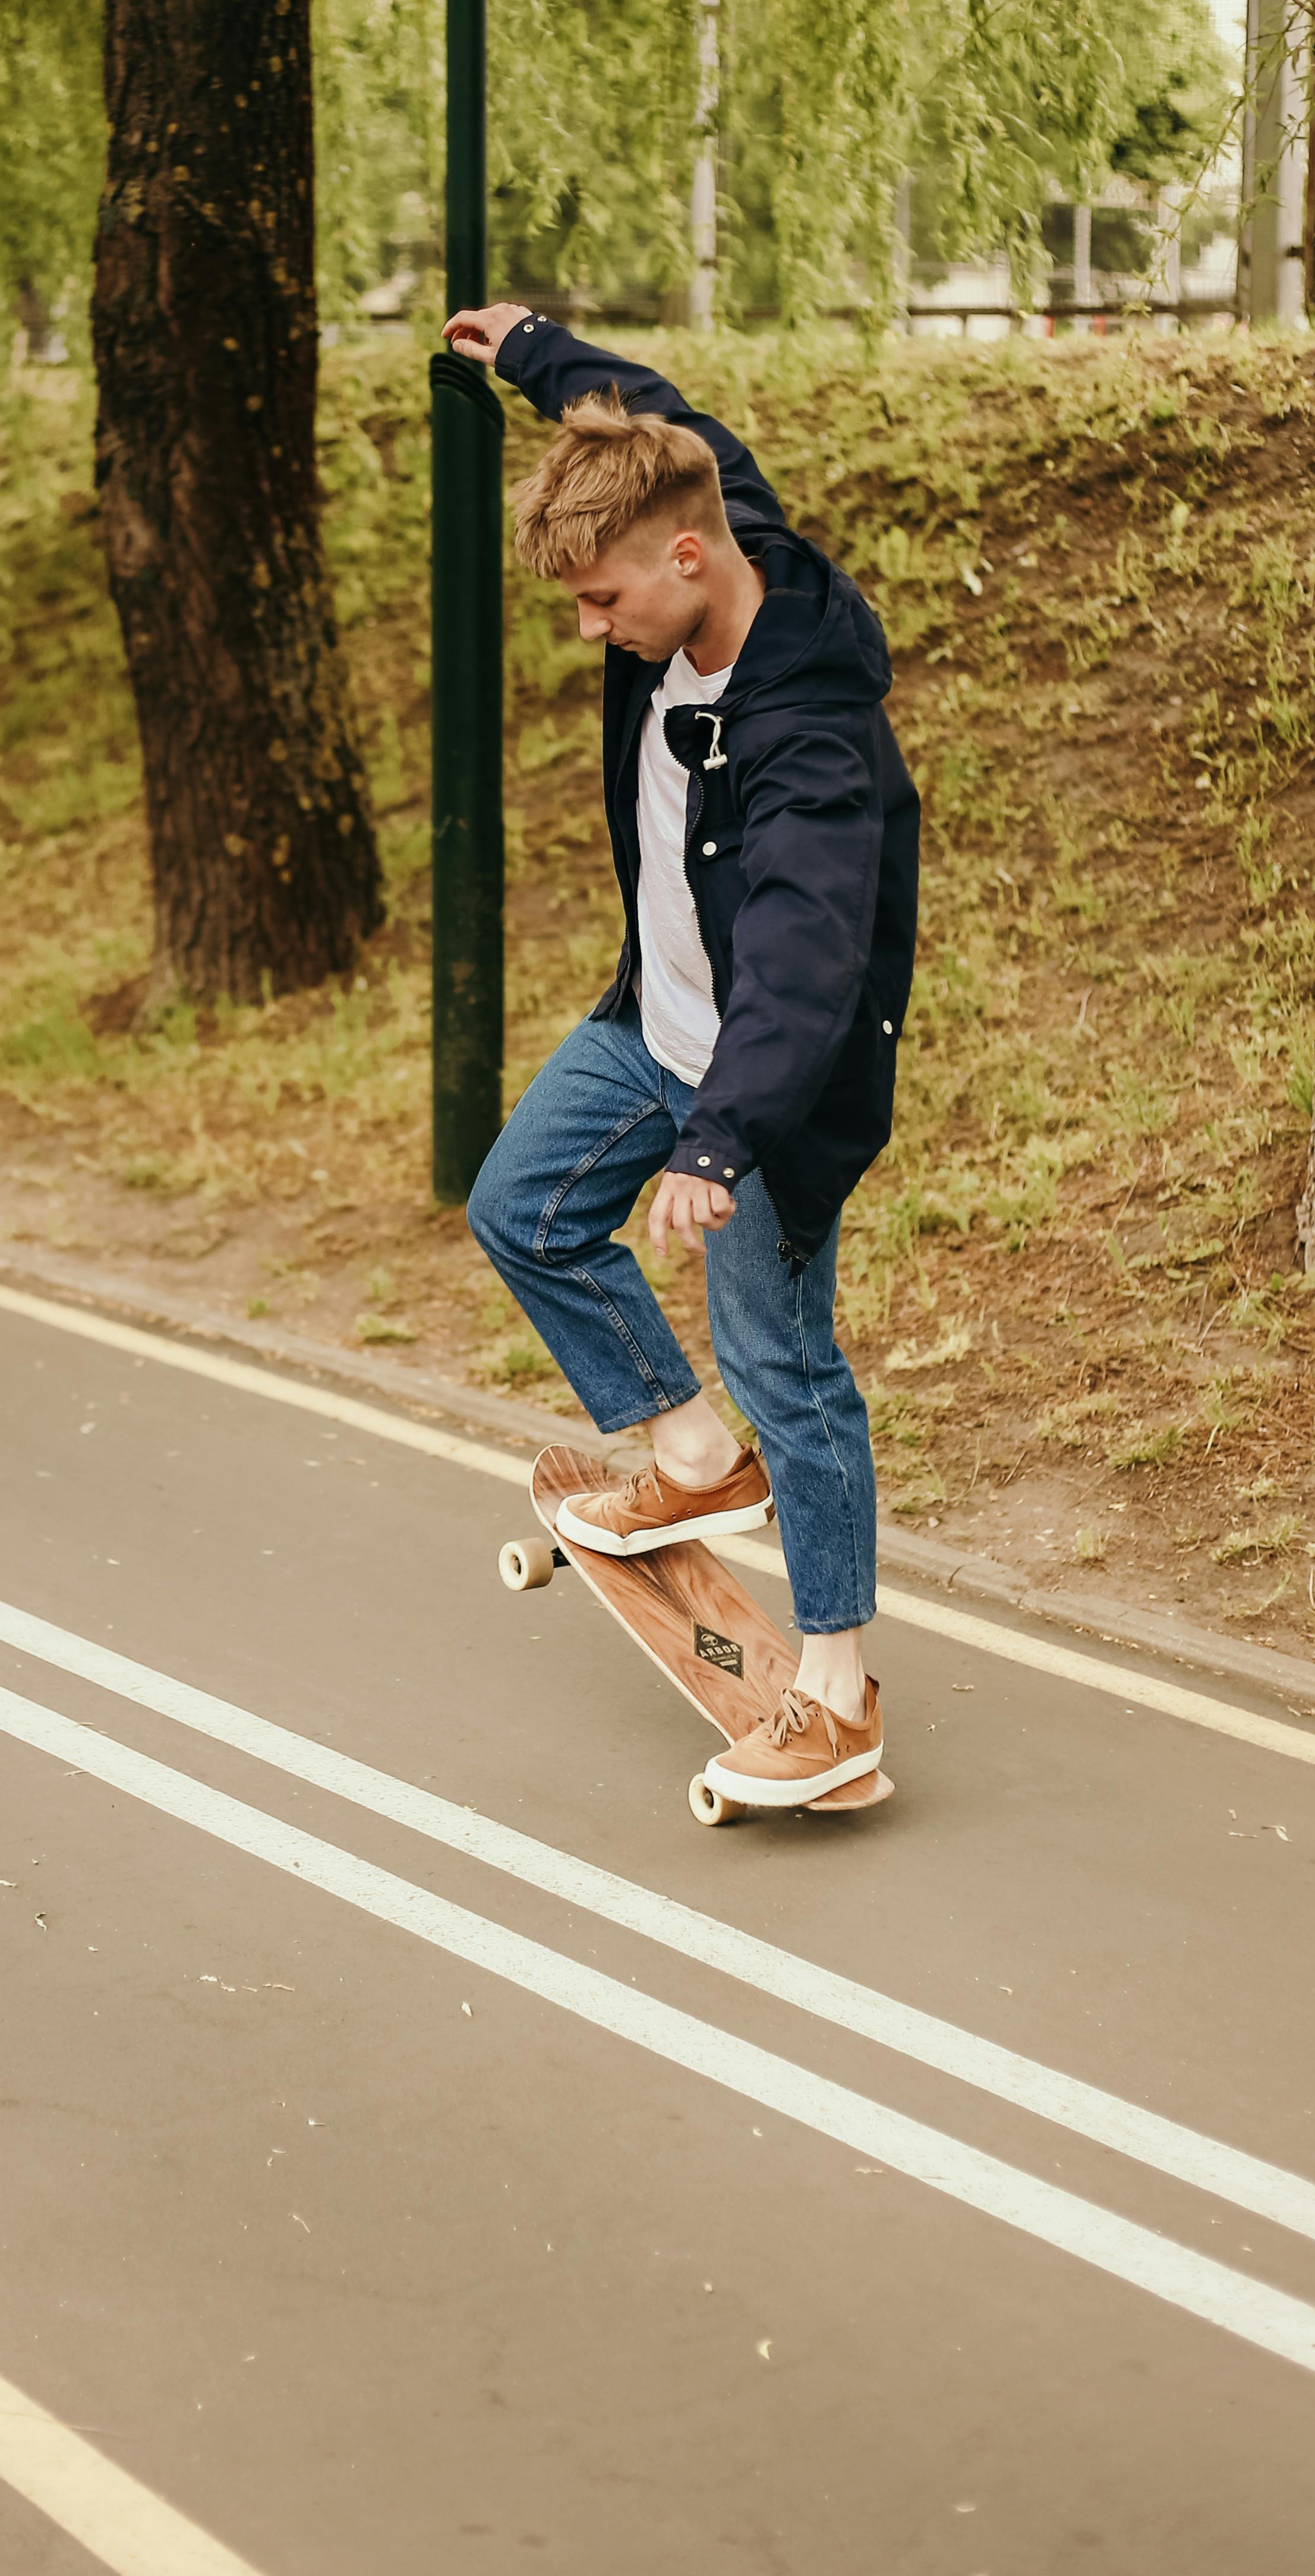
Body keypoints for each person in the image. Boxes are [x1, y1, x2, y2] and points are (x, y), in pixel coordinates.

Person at [444, 302, 918, 1809]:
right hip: (650, 1021)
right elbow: (646, 412)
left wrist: (720, 1144)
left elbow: (804, 959)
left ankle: (837, 1696)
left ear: (690, 561)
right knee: (520, 1208)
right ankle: (690, 1447)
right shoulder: (699, 505)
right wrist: (536, 352)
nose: (596, 633)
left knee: (793, 1370)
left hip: (763, 1090)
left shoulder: (809, 735)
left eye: (602, 603)